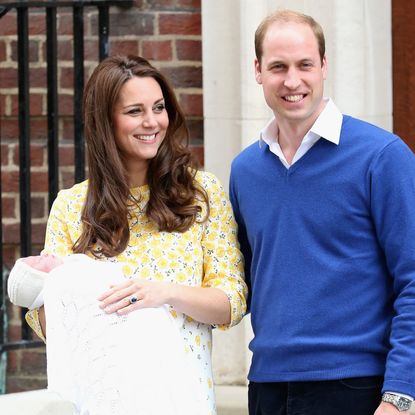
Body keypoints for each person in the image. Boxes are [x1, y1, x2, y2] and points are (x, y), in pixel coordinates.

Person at [12, 55, 247, 415]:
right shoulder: (71, 206)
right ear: (106, 122)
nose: (152, 122)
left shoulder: (201, 194)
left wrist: (165, 293)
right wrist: (49, 291)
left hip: (184, 399)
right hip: (104, 402)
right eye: (135, 111)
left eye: (158, 107)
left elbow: (231, 304)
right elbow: (53, 326)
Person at [229, 9, 415, 415]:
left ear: (324, 67)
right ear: (258, 70)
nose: (292, 81)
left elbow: (413, 280)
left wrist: (401, 394)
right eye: (278, 66)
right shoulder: (245, 170)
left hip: (358, 387)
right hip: (268, 386)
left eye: (304, 65)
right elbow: (240, 281)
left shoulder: (383, 157)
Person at [9, 253, 210, 414]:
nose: (44, 254)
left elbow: (233, 302)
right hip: (114, 371)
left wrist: (168, 293)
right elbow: (56, 321)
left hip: (173, 363)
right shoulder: (62, 277)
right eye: (36, 260)